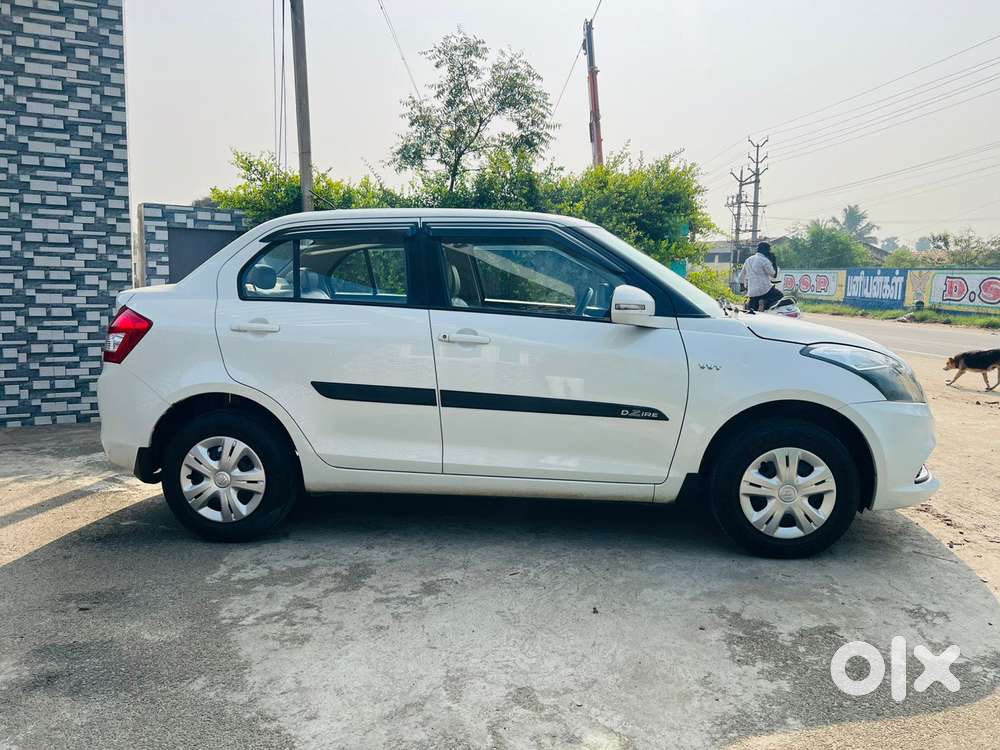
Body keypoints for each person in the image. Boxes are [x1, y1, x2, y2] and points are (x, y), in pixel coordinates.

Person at [739, 242, 779, 311]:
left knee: (752, 309)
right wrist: (774, 261)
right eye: (769, 250)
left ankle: (756, 307)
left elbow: (741, 276)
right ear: (766, 251)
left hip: (752, 292)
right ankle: (764, 302)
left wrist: (742, 287)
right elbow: (774, 274)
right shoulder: (765, 260)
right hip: (765, 290)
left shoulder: (748, 260)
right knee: (779, 295)